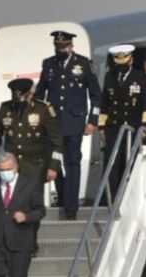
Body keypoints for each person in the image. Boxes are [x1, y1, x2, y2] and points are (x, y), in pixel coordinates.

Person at [0, 77, 63, 255]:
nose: (20, 102)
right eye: (16, 99)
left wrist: (53, 166)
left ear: (30, 94)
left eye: (23, 98)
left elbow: (57, 141)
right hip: (13, 166)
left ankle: (31, 243)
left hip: (36, 166)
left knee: (31, 207)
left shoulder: (44, 110)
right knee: (11, 205)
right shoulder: (6, 108)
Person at [35, 30, 102, 221]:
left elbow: (96, 95)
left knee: (72, 163)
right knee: (53, 162)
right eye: (57, 46)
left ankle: (70, 207)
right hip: (53, 124)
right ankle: (64, 198)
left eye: (63, 46)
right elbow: (40, 94)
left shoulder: (82, 64)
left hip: (74, 122)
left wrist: (92, 121)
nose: (60, 49)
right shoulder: (49, 65)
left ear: (71, 46)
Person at [98, 44, 146, 204]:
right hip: (113, 127)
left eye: (124, 63)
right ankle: (109, 199)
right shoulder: (110, 77)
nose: (121, 67)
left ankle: (126, 199)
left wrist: (145, 125)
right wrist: (101, 126)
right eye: (118, 64)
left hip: (132, 128)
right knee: (111, 163)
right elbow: (104, 104)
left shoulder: (140, 77)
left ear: (131, 60)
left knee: (128, 163)